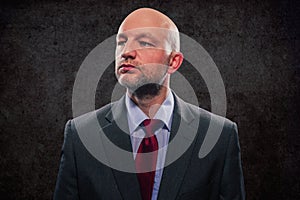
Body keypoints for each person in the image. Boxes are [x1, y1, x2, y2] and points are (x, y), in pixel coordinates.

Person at [54, 8, 245, 200]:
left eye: (144, 43)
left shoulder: (220, 136)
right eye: (121, 42)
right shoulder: (80, 135)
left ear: (173, 62)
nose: (126, 52)